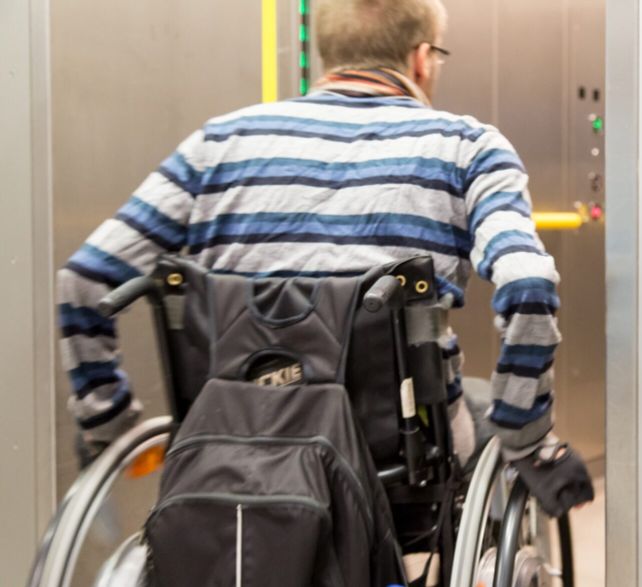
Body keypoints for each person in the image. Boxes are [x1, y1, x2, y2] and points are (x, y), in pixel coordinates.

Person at [58, 0, 592, 528]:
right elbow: (528, 281)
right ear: (423, 57)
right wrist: (522, 430)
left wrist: (109, 421)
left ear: (326, 55)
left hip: (229, 445)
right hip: (394, 456)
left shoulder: (217, 143)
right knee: (480, 414)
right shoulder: (469, 149)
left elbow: (84, 279)